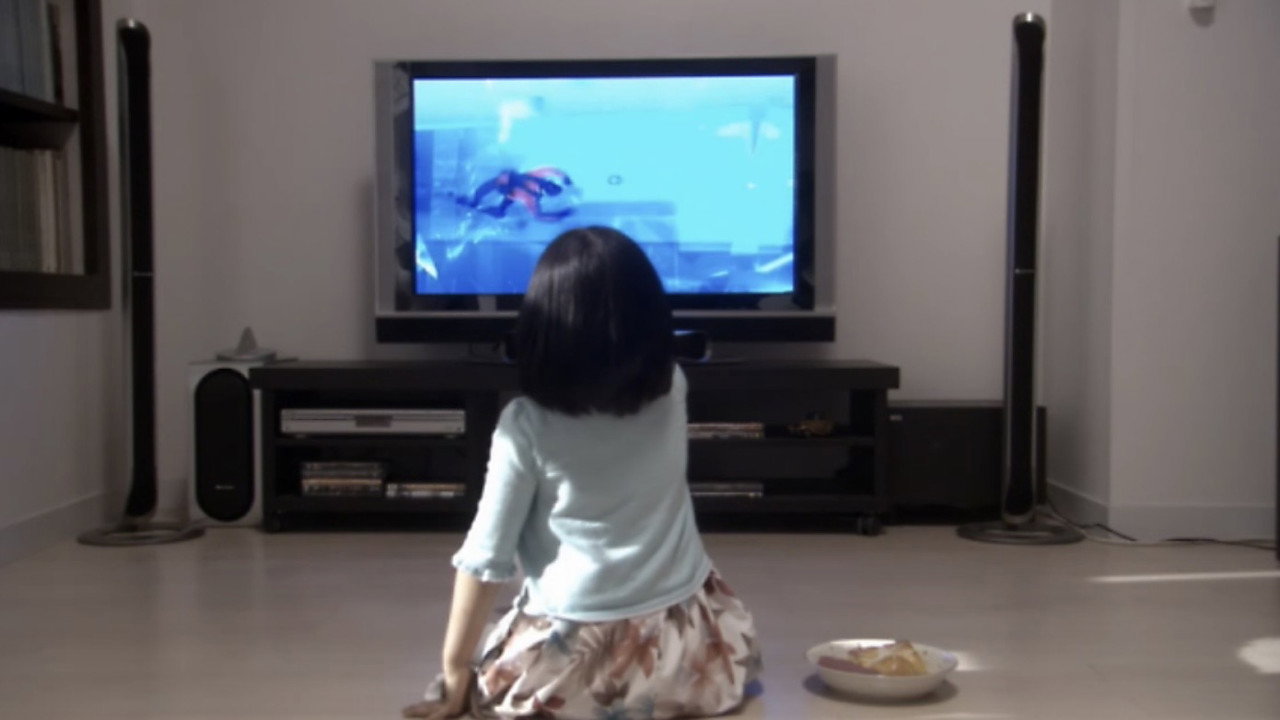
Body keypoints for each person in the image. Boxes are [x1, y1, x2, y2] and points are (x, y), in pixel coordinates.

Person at [403, 226, 761, 720]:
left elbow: (485, 561)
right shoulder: (672, 388)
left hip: (574, 655)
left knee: (499, 668)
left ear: (540, 329)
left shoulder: (524, 428)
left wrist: (454, 669)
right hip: (685, 646)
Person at [456, 167, 576, 222]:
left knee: (500, 212)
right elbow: (552, 171)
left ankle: (475, 205)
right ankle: (474, 203)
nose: (547, 184)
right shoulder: (536, 177)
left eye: (549, 187)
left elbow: (538, 215)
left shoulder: (532, 198)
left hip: (508, 192)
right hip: (505, 183)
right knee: (492, 202)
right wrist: (565, 177)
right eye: (550, 184)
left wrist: (560, 215)